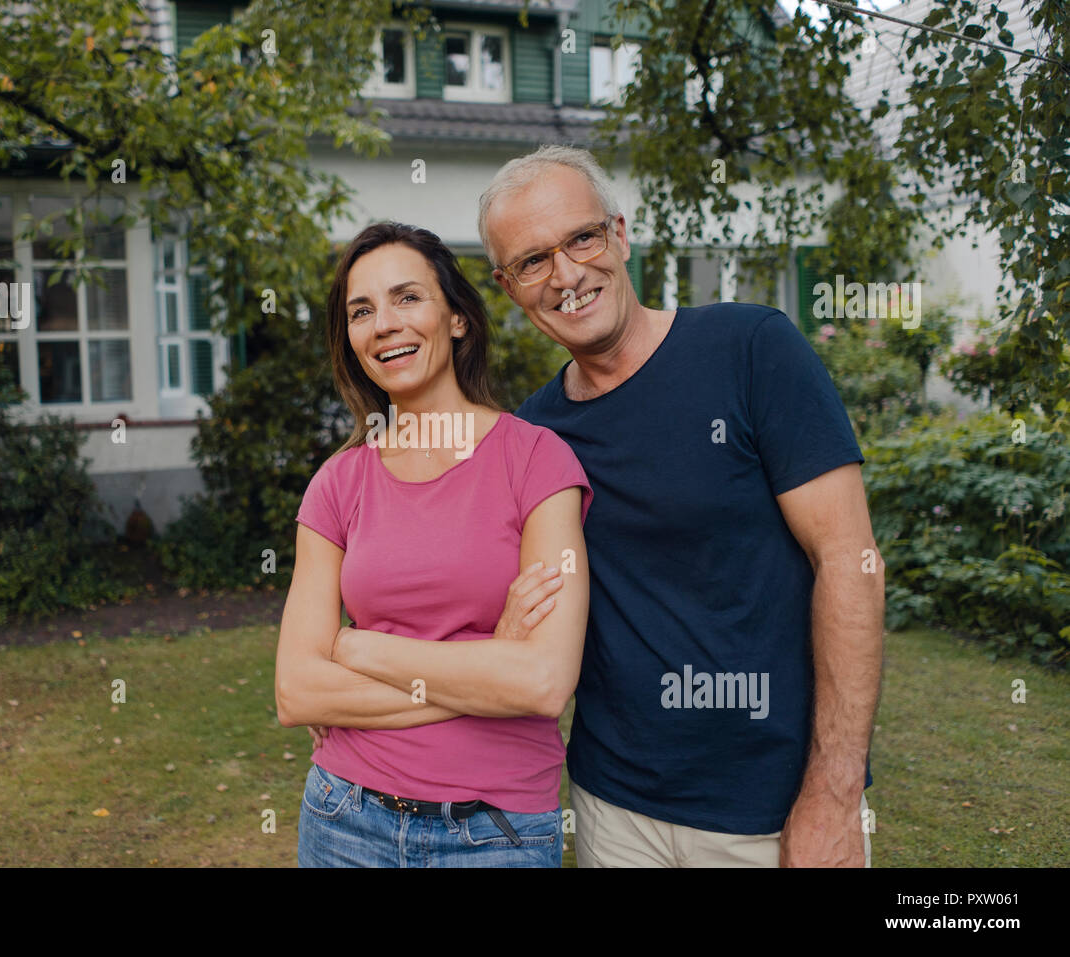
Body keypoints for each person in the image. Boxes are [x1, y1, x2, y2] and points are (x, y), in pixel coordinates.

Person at [474, 145, 883, 868]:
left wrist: (834, 790)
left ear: (620, 234)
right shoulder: (535, 436)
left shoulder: (753, 349)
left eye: (581, 238)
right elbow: (488, 602)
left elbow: (849, 562)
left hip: (770, 810)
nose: (567, 275)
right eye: (534, 261)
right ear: (508, 286)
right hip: (612, 807)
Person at [275, 221, 593, 867]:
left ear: (456, 319)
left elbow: (541, 682)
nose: (384, 323)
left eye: (407, 297)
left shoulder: (536, 462)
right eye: (361, 311)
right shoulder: (339, 482)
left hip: (493, 830)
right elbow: (299, 692)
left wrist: (355, 646)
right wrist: (485, 664)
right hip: (343, 817)